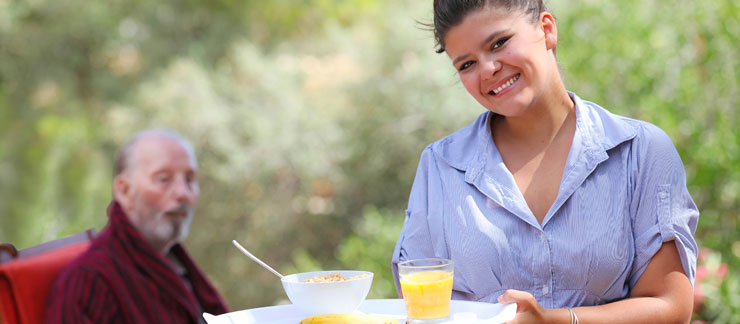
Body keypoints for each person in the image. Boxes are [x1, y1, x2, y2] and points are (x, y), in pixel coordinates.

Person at [391, 1, 699, 323]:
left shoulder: (640, 151)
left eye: (499, 43)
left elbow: (669, 307)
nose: (487, 69)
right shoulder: (440, 167)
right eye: (467, 64)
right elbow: (420, 309)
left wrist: (555, 320)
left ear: (547, 29)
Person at [46, 129, 228, 324]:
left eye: (189, 179)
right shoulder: (89, 280)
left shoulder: (179, 266)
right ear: (124, 190)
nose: (183, 193)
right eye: (164, 178)